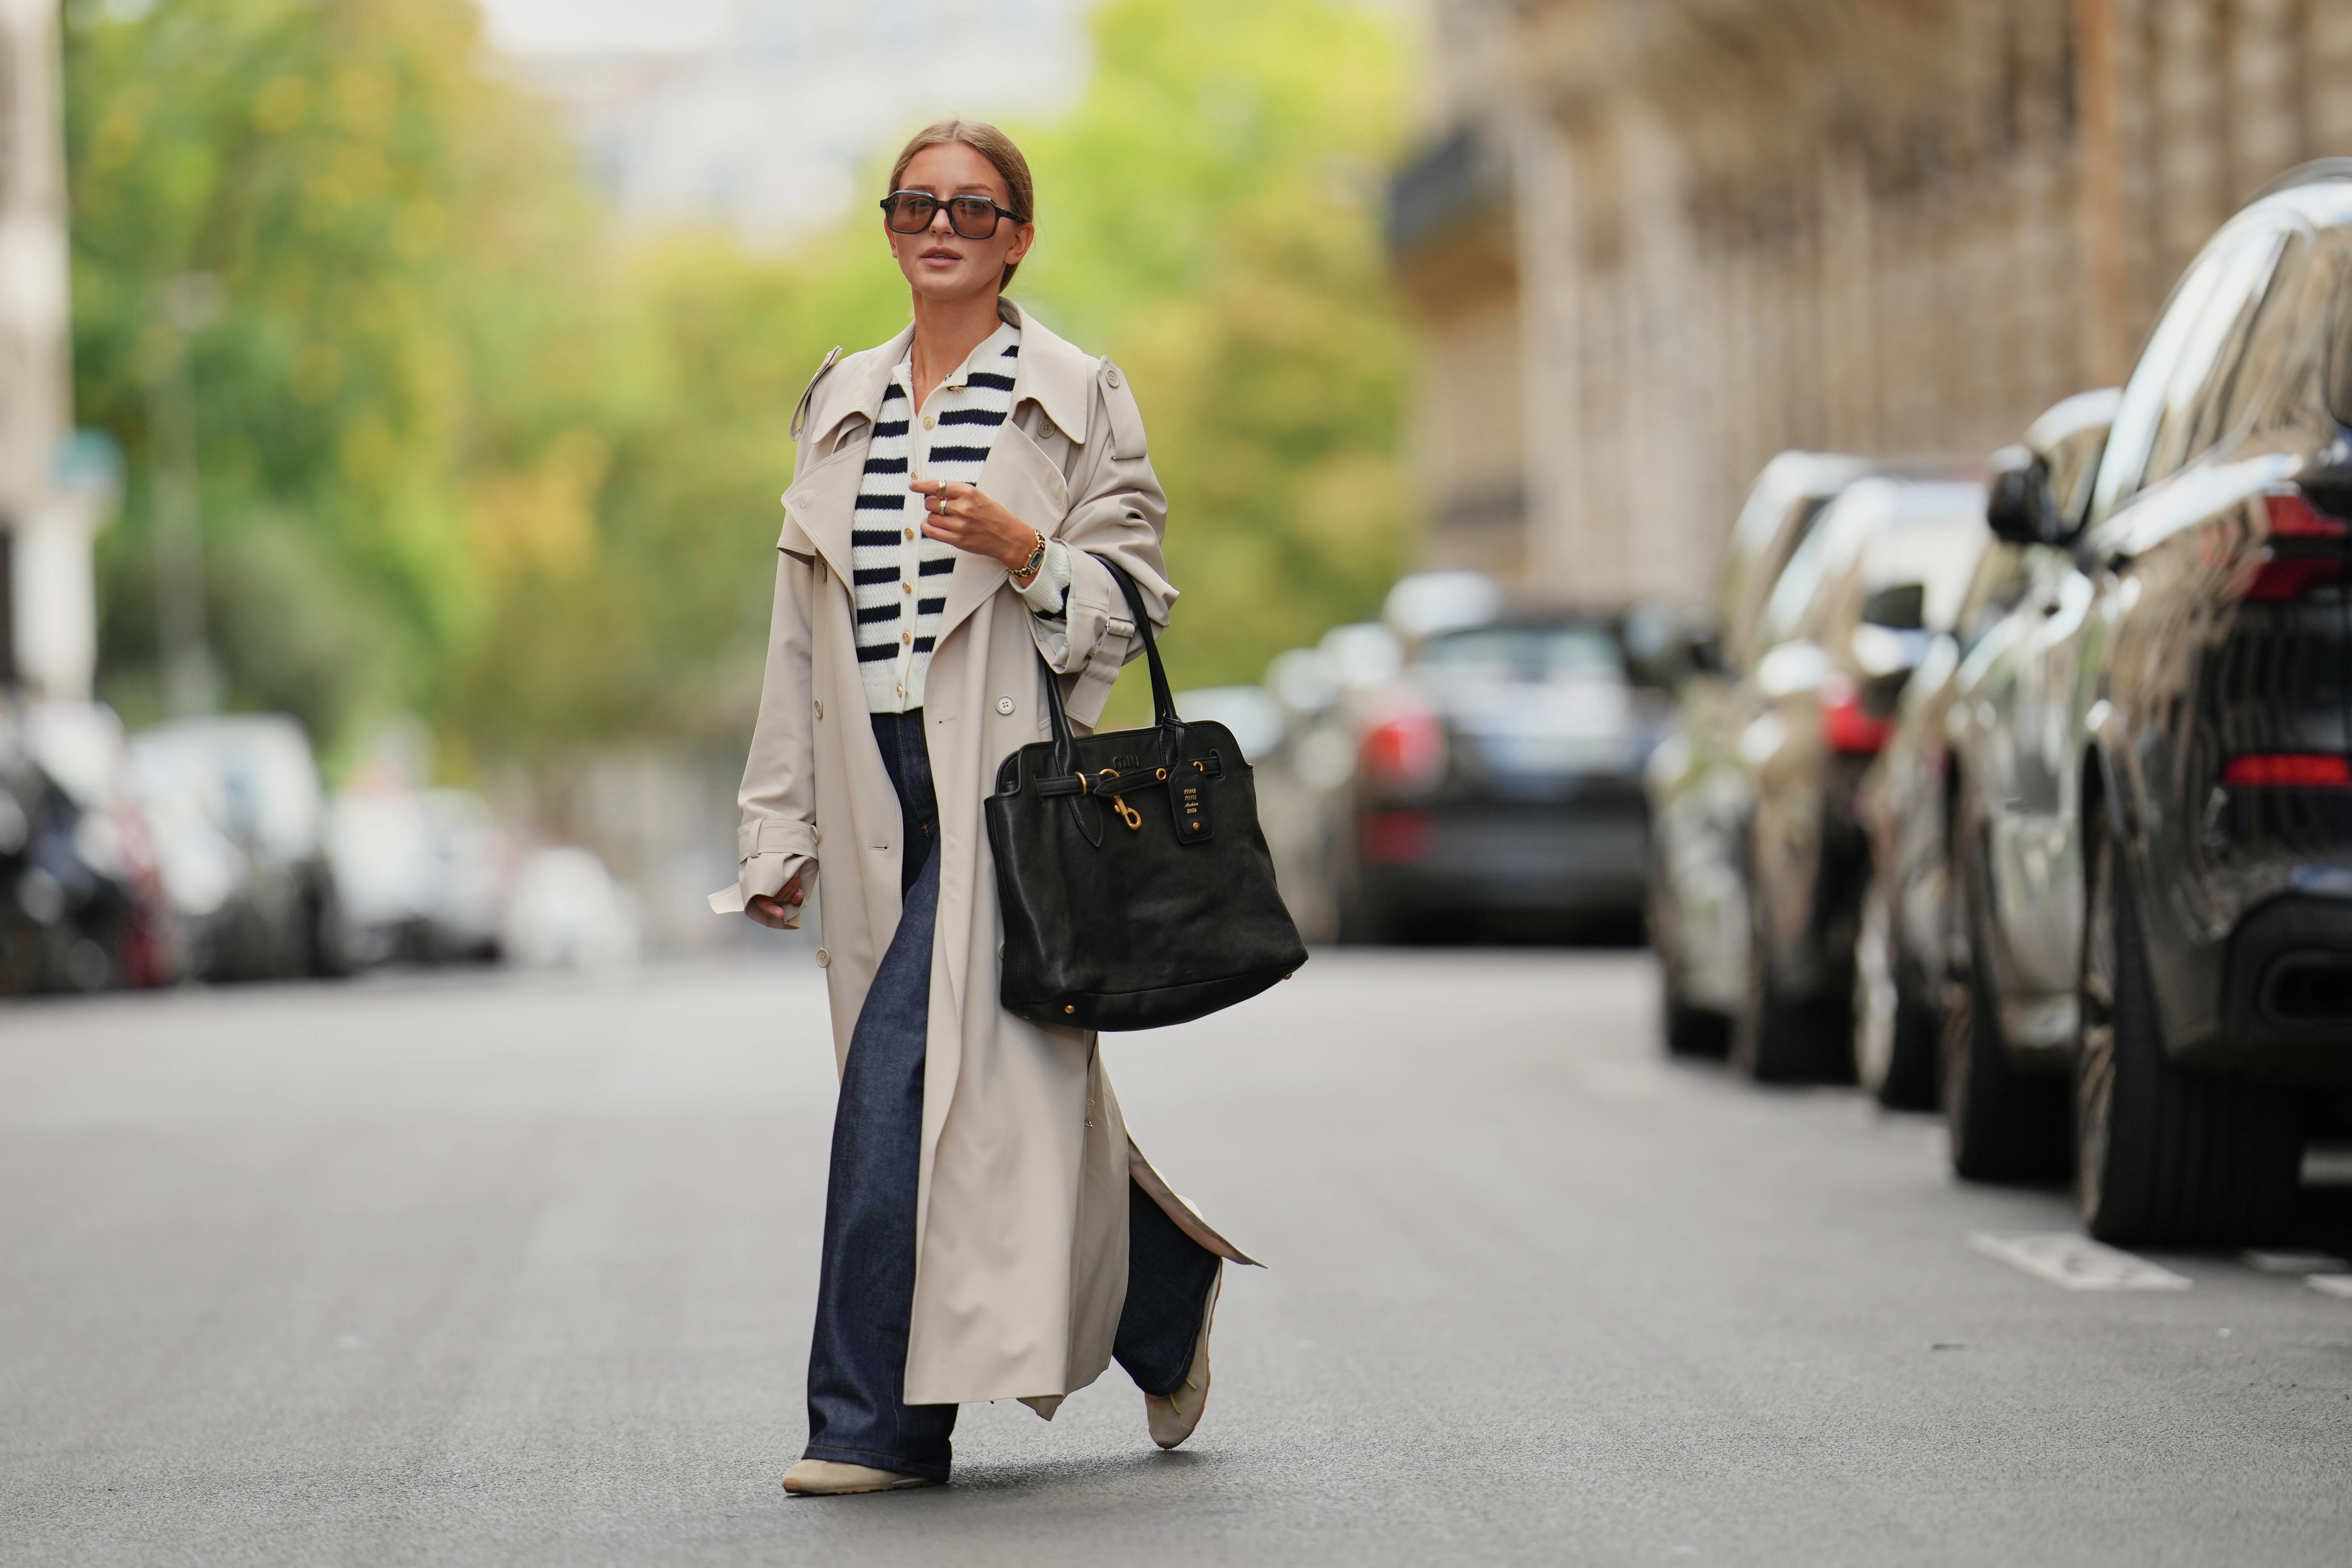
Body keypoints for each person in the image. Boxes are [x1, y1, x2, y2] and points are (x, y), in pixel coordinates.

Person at [712, 119, 1253, 1497]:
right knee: (975, 1094)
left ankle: (876, 1423)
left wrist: (1029, 553)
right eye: (914, 204)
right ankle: (1160, 1282)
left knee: (904, 1084)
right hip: (872, 784)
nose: (938, 224)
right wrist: (778, 830)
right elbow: (795, 637)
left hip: (1009, 791)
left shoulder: (1074, 396)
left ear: (1017, 237)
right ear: (890, 227)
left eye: (970, 207)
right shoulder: (840, 397)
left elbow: (1131, 605)